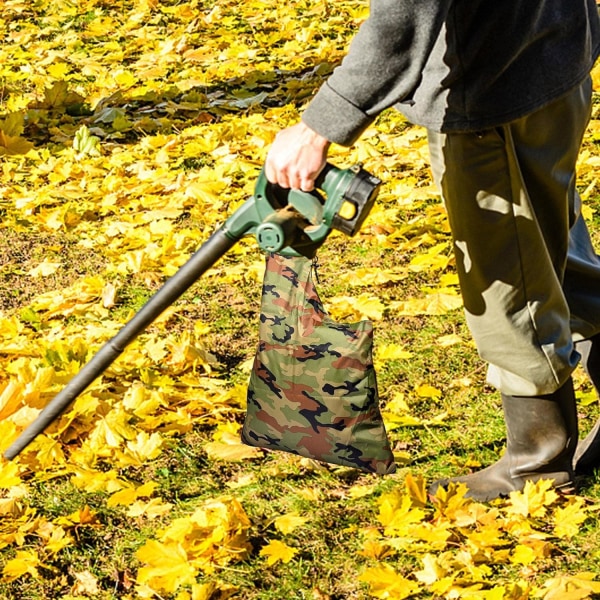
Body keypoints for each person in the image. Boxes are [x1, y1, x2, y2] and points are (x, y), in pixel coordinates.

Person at [264, 1, 600, 502]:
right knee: (552, 243)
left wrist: (318, 126)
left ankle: (536, 464)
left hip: (492, 86)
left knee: (510, 279)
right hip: (557, 53)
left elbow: (405, 12)